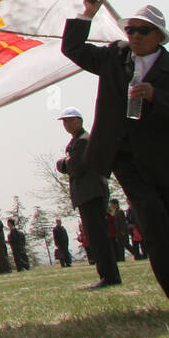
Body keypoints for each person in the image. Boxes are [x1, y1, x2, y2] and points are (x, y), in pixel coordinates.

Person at [62, 0, 169, 315]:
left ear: (160, 36)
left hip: (168, 159)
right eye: (131, 30)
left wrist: (159, 96)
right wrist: (86, 14)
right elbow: (73, 50)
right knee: (154, 224)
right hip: (127, 160)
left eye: (144, 31)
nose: (136, 36)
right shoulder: (115, 56)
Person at [55, 106, 119, 287]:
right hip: (88, 194)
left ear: (79, 121)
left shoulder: (83, 141)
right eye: (64, 121)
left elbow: (75, 166)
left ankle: (109, 276)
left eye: (69, 120)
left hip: (91, 193)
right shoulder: (77, 142)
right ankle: (108, 275)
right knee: (95, 237)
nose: (66, 124)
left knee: (98, 237)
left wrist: (63, 163)